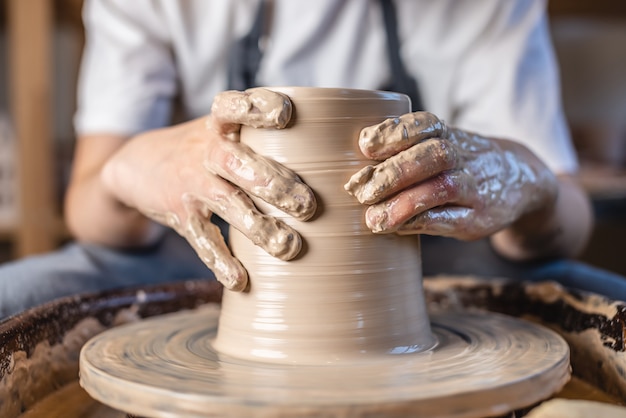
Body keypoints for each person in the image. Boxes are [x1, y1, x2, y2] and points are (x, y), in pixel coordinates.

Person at [0, 0, 622, 318]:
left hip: (421, 267)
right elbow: (91, 210)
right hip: (215, 258)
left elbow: (565, 226)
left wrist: (527, 179)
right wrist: (132, 163)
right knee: (19, 296)